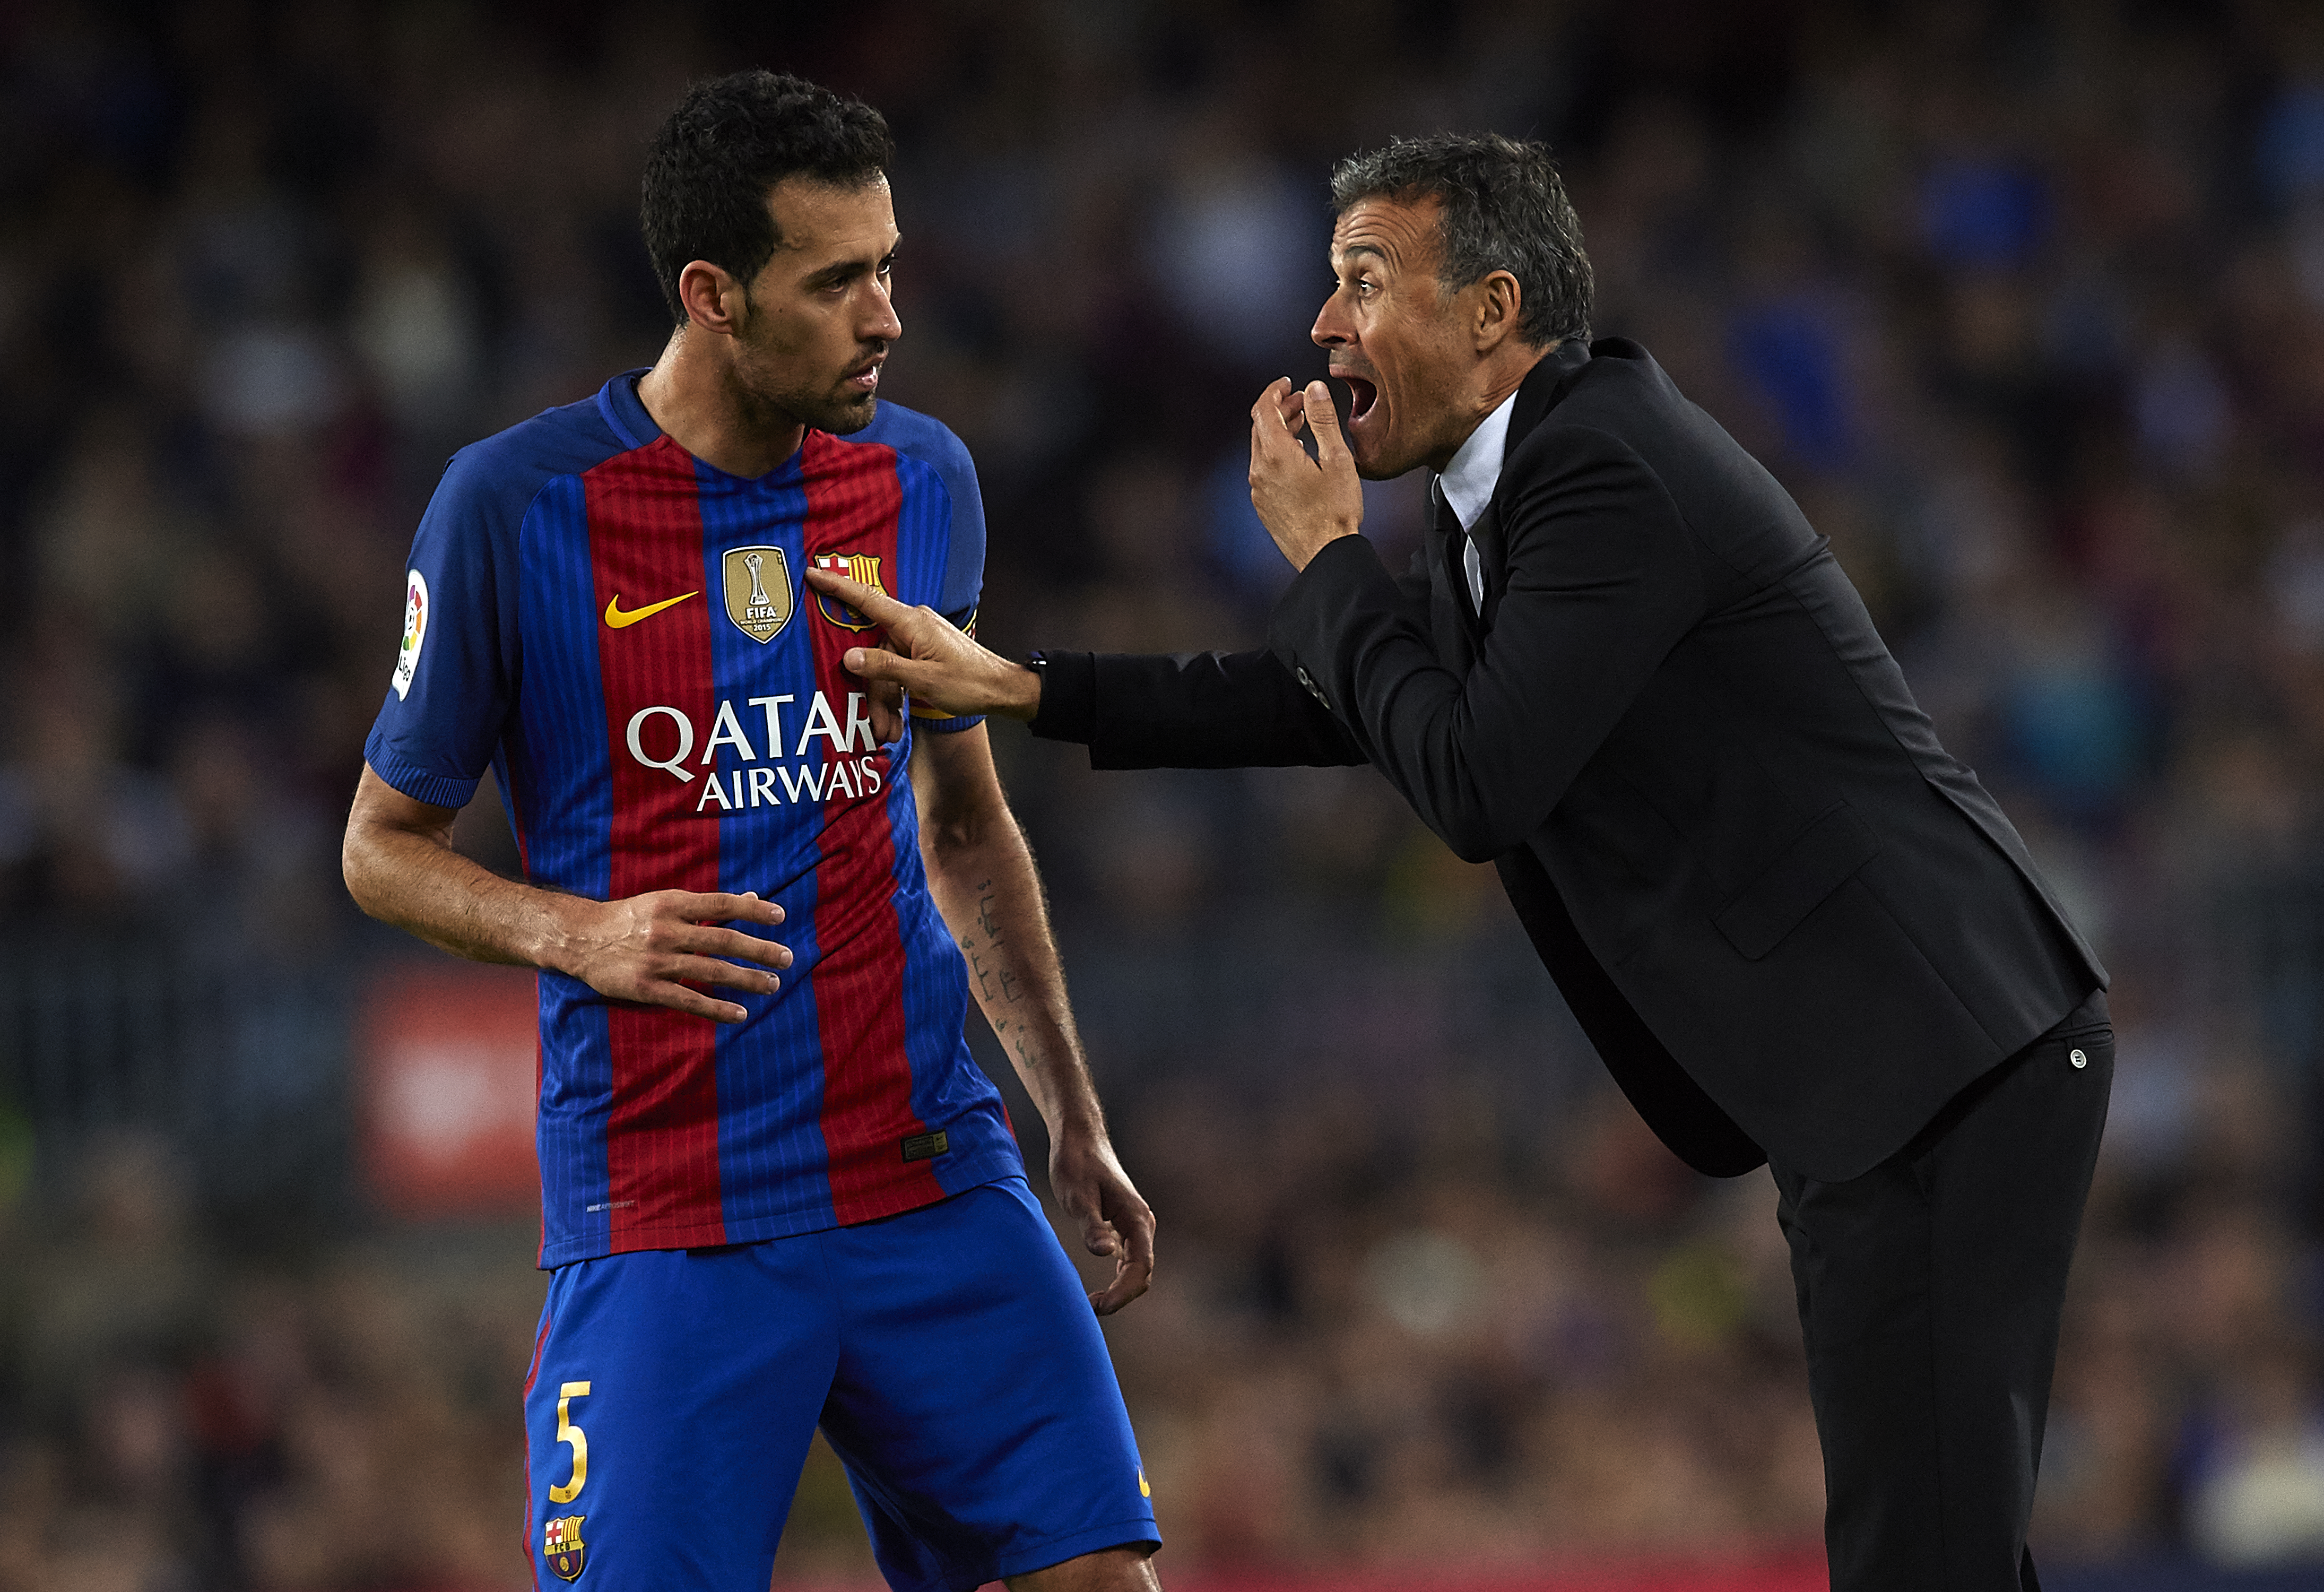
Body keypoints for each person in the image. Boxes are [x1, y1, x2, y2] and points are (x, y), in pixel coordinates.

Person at [808, 133, 2111, 1592]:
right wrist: (1032, 686)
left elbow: (1476, 779)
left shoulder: (1604, 466)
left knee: (1918, 1551)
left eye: (1363, 280)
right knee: (1928, 1545)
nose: (1321, 324)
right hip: (1875, 1073)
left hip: (1940, 1052)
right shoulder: (1513, 488)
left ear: (1490, 313)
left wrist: (1324, 562)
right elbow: (1342, 700)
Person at [341, 71, 1163, 1592]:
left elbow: (962, 824)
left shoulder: (922, 479)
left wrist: (1069, 1108)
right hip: (673, 1212)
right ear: (713, 295)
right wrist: (572, 930)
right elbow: (377, 845)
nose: (887, 315)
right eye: (838, 280)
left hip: (928, 1172)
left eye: (890, 266)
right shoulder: (514, 510)